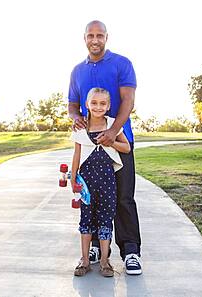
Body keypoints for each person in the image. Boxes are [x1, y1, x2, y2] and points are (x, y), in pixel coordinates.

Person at [68, 20, 142, 275]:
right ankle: (97, 250)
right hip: (90, 147)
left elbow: (127, 100)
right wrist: (75, 117)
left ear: (106, 37)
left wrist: (113, 132)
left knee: (122, 198)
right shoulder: (77, 70)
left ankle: (131, 250)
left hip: (119, 139)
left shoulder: (122, 64)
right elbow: (72, 104)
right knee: (94, 201)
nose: (95, 39)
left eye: (100, 35)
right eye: (91, 35)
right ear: (84, 38)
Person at [71, 87, 130, 277]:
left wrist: (111, 141)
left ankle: (105, 261)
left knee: (105, 219)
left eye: (102, 103)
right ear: (87, 104)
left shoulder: (113, 125)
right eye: (94, 103)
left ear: (108, 106)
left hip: (107, 181)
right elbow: (77, 154)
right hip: (86, 181)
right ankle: (85, 260)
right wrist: (73, 178)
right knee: (86, 219)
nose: (98, 106)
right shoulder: (81, 127)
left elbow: (126, 148)